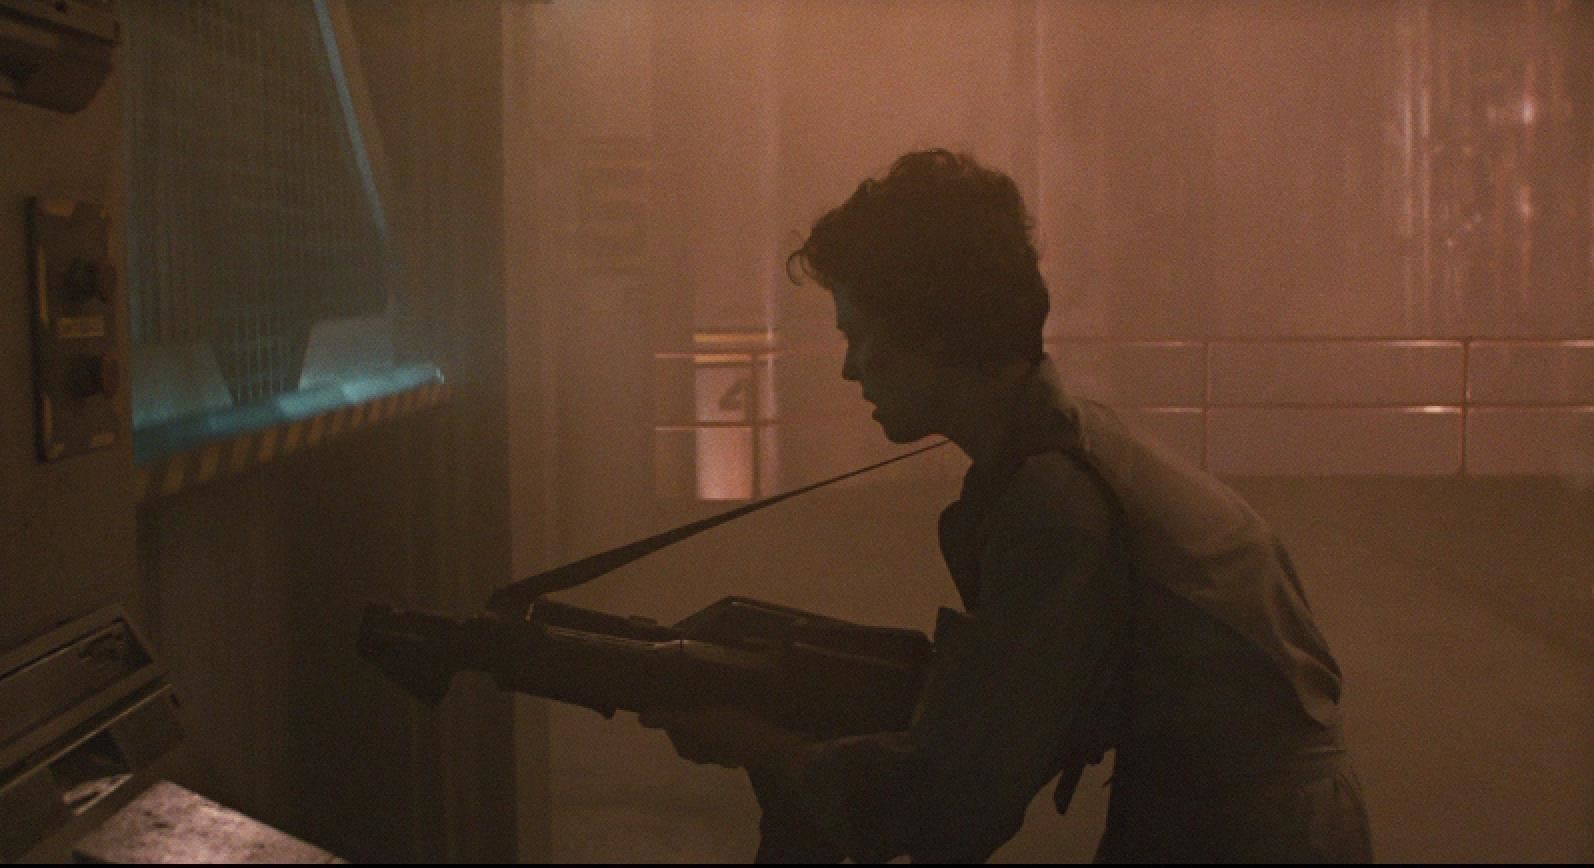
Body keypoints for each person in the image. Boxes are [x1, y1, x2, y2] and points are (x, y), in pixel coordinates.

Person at [640, 149, 1374, 863]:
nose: (850, 369)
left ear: (933, 332)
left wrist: (759, 746)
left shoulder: (1052, 502)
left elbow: (957, 798)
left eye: (860, 337)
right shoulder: (1069, 454)